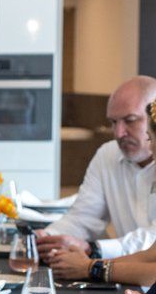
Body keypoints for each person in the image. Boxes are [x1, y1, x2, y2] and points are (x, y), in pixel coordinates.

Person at [37, 76, 156, 280]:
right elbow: (84, 216)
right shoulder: (107, 155)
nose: (119, 133)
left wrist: (92, 258)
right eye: (113, 122)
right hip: (127, 282)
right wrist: (47, 239)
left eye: (130, 120)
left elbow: (150, 245)